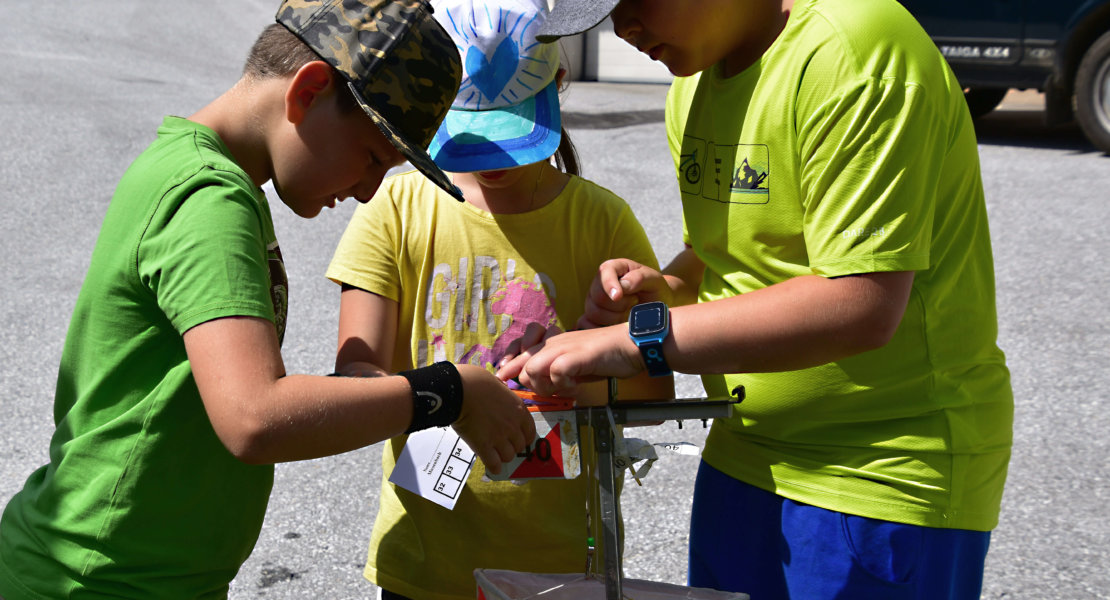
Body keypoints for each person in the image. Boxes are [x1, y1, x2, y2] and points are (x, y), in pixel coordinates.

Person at [0, 2, 538, 598]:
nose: (368, 192)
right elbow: (254, 417)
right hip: (101, 579)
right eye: (372, 156)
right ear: (308, 90)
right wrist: (451, 391)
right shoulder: (209, 199)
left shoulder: (197, 173)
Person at [498, 0, 1015, 598]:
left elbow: (861, 305)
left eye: (633, 1)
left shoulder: (854, 52)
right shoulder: (693, 83)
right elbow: (722, 255)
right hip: (741, 458)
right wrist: (660, 291)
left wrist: (636, 342)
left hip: (879, 473)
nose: (624, 28)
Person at [325, 1, 674, 598]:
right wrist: (452, 392)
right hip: (425, 563)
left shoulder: (603, 222)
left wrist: (583, 369)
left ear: (559, 85)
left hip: (560, 567)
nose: (494, 166)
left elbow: (656, 392)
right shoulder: (396, 211)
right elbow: (357, 380)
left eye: (509, 133)